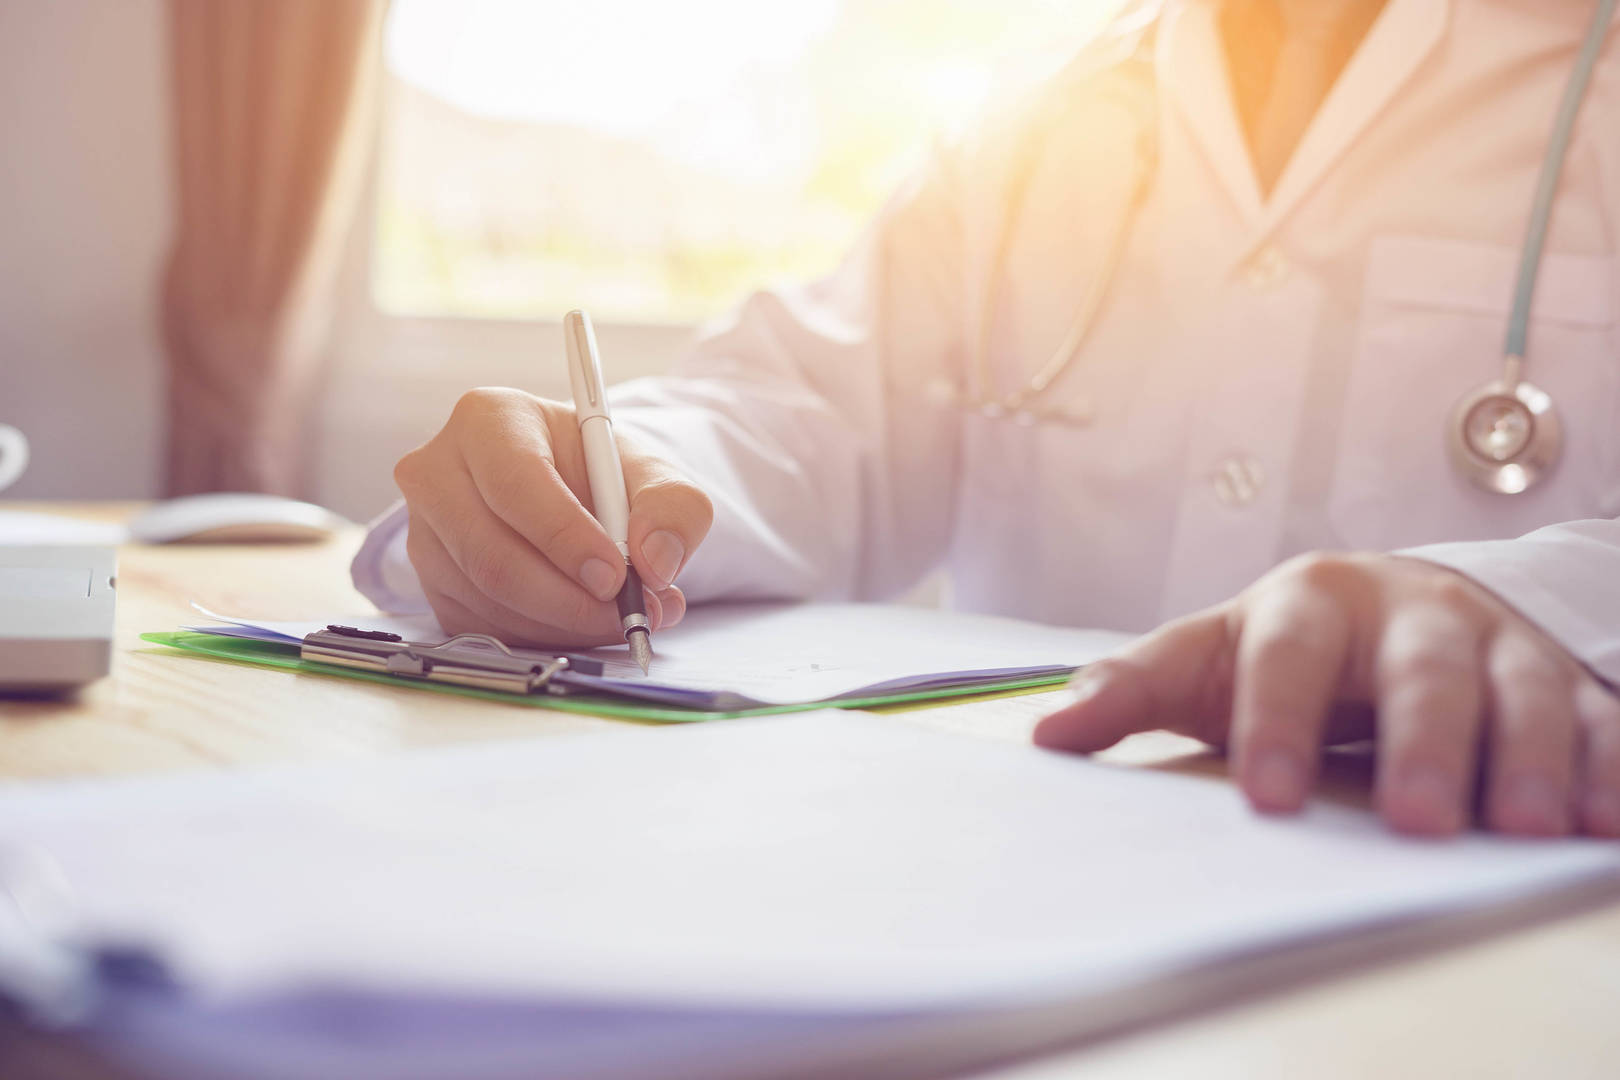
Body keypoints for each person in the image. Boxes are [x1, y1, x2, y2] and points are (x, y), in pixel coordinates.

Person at [353, 0, 1620, 840]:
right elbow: (807, 406)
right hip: (1033, 866)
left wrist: (1533, 607)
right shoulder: (1037, 112)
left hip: (1459, 894)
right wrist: (621, 475)